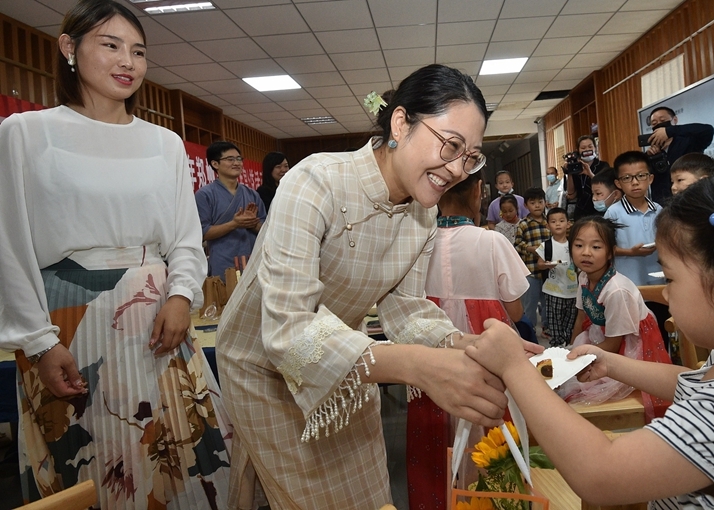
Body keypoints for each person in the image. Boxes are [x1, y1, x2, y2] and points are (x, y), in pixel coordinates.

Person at [214, 64, 532, 509]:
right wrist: (419, 366)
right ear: (400, 123)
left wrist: (467, 344)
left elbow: (406, 309)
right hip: (262, 365)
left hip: (345, 356)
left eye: (471, 157)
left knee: (367, 491)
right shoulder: (314, 183)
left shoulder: (423, 213)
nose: (458, 169)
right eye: (451, 146)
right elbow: (288, 330)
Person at [466, 168, 714, 509]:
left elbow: (601, 473)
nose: (666, 294)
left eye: (670, 278)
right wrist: (612, 363)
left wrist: (514, 368)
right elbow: (696, 384)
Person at [0, 1, 232, 507]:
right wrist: (38, 343)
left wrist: (181, 296)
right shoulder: (24, 134)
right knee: (90, 469)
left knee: (182, 468)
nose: (127, 61)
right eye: (110, 45)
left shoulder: (165, 143)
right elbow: (9, 248)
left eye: (138, 51)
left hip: (158, 319)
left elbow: (185, 239)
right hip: (67, 322)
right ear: (68, 48)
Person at [408, 170, 530, 510]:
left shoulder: (417, 243)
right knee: (492, 431)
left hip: (431, 347)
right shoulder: (492, 241)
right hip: (486, 345)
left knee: (436, 430)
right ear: (478, 192)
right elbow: (516, 311)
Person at [562, 216, 671, 420]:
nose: (586, 252)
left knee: (586, 388)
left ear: (610, 252)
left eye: (596, 247)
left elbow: (613, 346)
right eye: (578, 245)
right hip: (602, 333)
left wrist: (575, 359)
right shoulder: (584, 276)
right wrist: (570, 353)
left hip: (630, 343)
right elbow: (580, 318)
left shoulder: (616, 291)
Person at [195, 141, 266, 279]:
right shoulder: (204, 195)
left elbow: (267, 229)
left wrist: (253, 224)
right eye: (230, 159)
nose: (237, 163)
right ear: (215, 164)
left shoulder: (252, 194)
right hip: (223, 262)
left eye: (239, 159)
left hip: (252, 261)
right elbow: (201, 233)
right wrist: (234, 224)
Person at [605, 151, 663, 286]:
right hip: (627, 283)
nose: (635, 182)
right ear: (618, 183)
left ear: (650, 179)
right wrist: (630, 252)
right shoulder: (613, 213)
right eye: (627, 178)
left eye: (641, 176)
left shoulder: (659, 209)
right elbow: (605, 248)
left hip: (658, 280)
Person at [645, 106, 714, 202]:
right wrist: (649, 158)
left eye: (663, 120)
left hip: (691, 199)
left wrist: (669, 131)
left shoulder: (689, 142)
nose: (659, 125)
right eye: (654, 123)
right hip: (663, 204)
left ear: (675, 120)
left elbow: (707, 130)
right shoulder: (654, 150)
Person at [535, 207, 578, 347]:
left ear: (568, 223)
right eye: (553, 221)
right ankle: (557, 348)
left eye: (561, 221)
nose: (558, 224)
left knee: (570, 323)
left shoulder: (575, 244)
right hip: (553, 290)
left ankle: (568, 346)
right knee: (555, 323)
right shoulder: (546, 245)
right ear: (548, 226)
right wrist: (547, 265)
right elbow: (539, 264)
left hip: (573, 291)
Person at [515, 187, 550, 330]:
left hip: (549, 271)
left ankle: (547, 327)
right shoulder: (523, 224)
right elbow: (517, 245)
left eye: (540, 202)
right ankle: (530, 330)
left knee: (548, 301)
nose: (537, 205)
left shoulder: (549, 222)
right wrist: (530, 249)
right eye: (533, 202)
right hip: (531, 271)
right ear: (526, 205)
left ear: (545, 203)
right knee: (530, 303)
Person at [566, 135, 611, 220]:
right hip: (581, 212)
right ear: (578, 151)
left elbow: (606, 187)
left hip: (600, 209)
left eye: (590, 146)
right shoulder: (576, 168)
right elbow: (571, 195)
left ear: (595, 148)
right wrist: (570, 173)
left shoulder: (603, 165)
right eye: (583, 148)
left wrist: (590, 174)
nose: (587, 150)